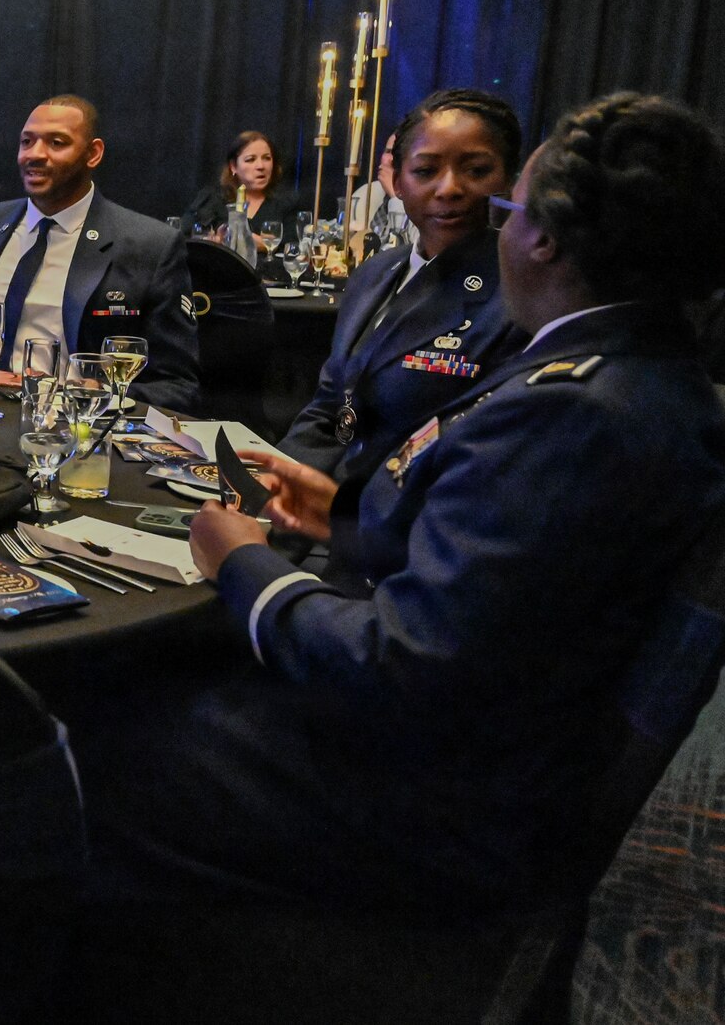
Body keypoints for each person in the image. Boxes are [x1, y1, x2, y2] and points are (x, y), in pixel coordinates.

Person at [77, 92, 725, 914]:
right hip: (493, 743)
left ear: (544, 238)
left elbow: (399, 664)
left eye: (508, 205)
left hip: (439, 805)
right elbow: (497, 573)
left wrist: (240, 560)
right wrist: (342, 512)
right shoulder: (642, 371)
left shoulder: (577, 410)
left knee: (99, 721)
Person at [281, 89, 525, 481]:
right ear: (397, 182)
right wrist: (269, 491)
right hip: (319, 507)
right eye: (426, 171)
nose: (449, 188)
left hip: (403, 521)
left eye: (476, 170)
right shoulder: (374, 273)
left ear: (510, 181)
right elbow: (330, 409)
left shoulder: (519, 297)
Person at [0, 96, 200, 409]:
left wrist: (89, 389)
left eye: (56, 142)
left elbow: (177, 387)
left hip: (71, 422)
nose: (35, 154)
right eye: (27, 141)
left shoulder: (151, 245)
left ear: (93, 154)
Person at [182, 131, 303, 246]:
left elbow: (294, 245)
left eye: (267, 158)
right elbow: (183, 236)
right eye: (250, 159)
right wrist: (214, 242)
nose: (261, 166)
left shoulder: (287, 202)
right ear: (233, 166)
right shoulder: (212, 198)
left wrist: (255, 243)